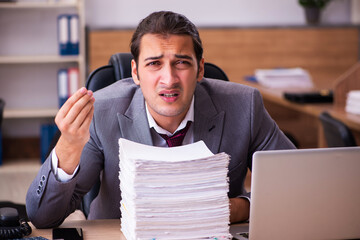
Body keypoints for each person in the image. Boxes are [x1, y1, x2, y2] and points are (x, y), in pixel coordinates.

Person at [26, 11, 295, 228]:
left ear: (200, 69)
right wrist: (68, 146)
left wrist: (240, 207)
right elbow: (43, 217)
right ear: (135, 71)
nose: (169, 79)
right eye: (154, 63)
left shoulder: (244, 106)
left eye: (182, 63)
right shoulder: (103, 112)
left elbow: (296, 186)